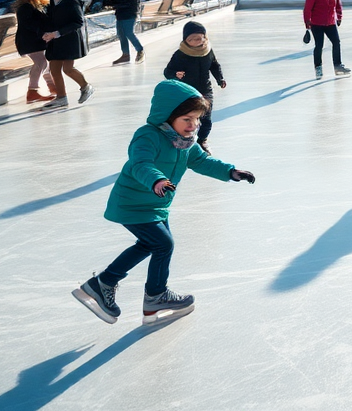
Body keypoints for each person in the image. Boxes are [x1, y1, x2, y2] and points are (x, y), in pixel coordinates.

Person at [72, 79, 255, 325]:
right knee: (162, 245)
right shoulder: (147, 136)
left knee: (152, 245)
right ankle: (144, 293)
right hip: (133, 202)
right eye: (187, 119)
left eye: (197, 119)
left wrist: (231, 172)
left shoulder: (185, 142)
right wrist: (157, 180)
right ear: (168, 117)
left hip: (157, 205)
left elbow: (202, 162)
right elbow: (141, 164)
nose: (194, 125)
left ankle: (122, 289)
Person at [162, 22, 225, 152]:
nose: (195, 42)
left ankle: (202, 141)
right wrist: (175, 74)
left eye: (198, 38)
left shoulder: (208, 51)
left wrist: (220, 79)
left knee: (206, 119)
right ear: (185, 40)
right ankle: (181, 141)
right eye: (190, 39)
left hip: (205, 90)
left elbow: (214, 65)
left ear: (204, 37)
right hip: (186, 91)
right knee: (187, 118)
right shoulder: (180, 54)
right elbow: (167, 72)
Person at [39, 0, 93, 109]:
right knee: (54, 69)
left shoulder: (70, 2)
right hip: (56, 41)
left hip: (68, 41)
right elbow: (50, 20)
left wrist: (57, 33)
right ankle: (61, 97)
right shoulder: (52, 3)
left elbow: (78, 22)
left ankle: (86, 87)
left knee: (68, 69)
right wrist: (47, 33)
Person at [12, 0, 57, 104]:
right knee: (41, 62)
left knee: (44, 62)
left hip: (35, 40)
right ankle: (32, 91)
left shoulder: (36, 4)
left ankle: (51, 86)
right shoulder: (26, 6)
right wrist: (43, 32)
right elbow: (29, 24)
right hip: (28, 41)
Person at [304, 0, 349, 79]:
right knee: (319, 45)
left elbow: (338, 5)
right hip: (317, 23)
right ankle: (318, 67)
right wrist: (307, 21)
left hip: (330, 22)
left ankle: (338, 66)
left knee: (336, 42)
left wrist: (339, 16)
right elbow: (307, 8)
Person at [106, 0, 144, 65]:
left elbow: (125, 3)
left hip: (128, 15)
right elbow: (120, 2)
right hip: (121, 15)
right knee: (121, 34)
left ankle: (140, 50)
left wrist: (112, 3)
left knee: (128, 33)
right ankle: (125, 54)